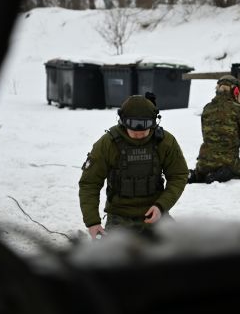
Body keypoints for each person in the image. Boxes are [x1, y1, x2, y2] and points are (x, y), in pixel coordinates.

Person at [78, 93, 189, 239]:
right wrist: (92, 222)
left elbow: (179, 175)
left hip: (155, 213)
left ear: (153, 123)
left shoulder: (165, 142)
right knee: (116, 252)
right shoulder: (108, 143)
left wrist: (161, 206)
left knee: (182, 246)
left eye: (144, 129)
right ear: (123, 122)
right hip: (120, 216)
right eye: (134, 129)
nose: (139, 134)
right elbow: (90, 183)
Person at [188, 75, 240, 183]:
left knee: (203, 171)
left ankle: (198, 175)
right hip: (228, 161)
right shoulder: (238, 108)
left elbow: (205, 134)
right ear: (235, 91)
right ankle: (218, 175)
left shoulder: (207, 108)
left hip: (204, 160)